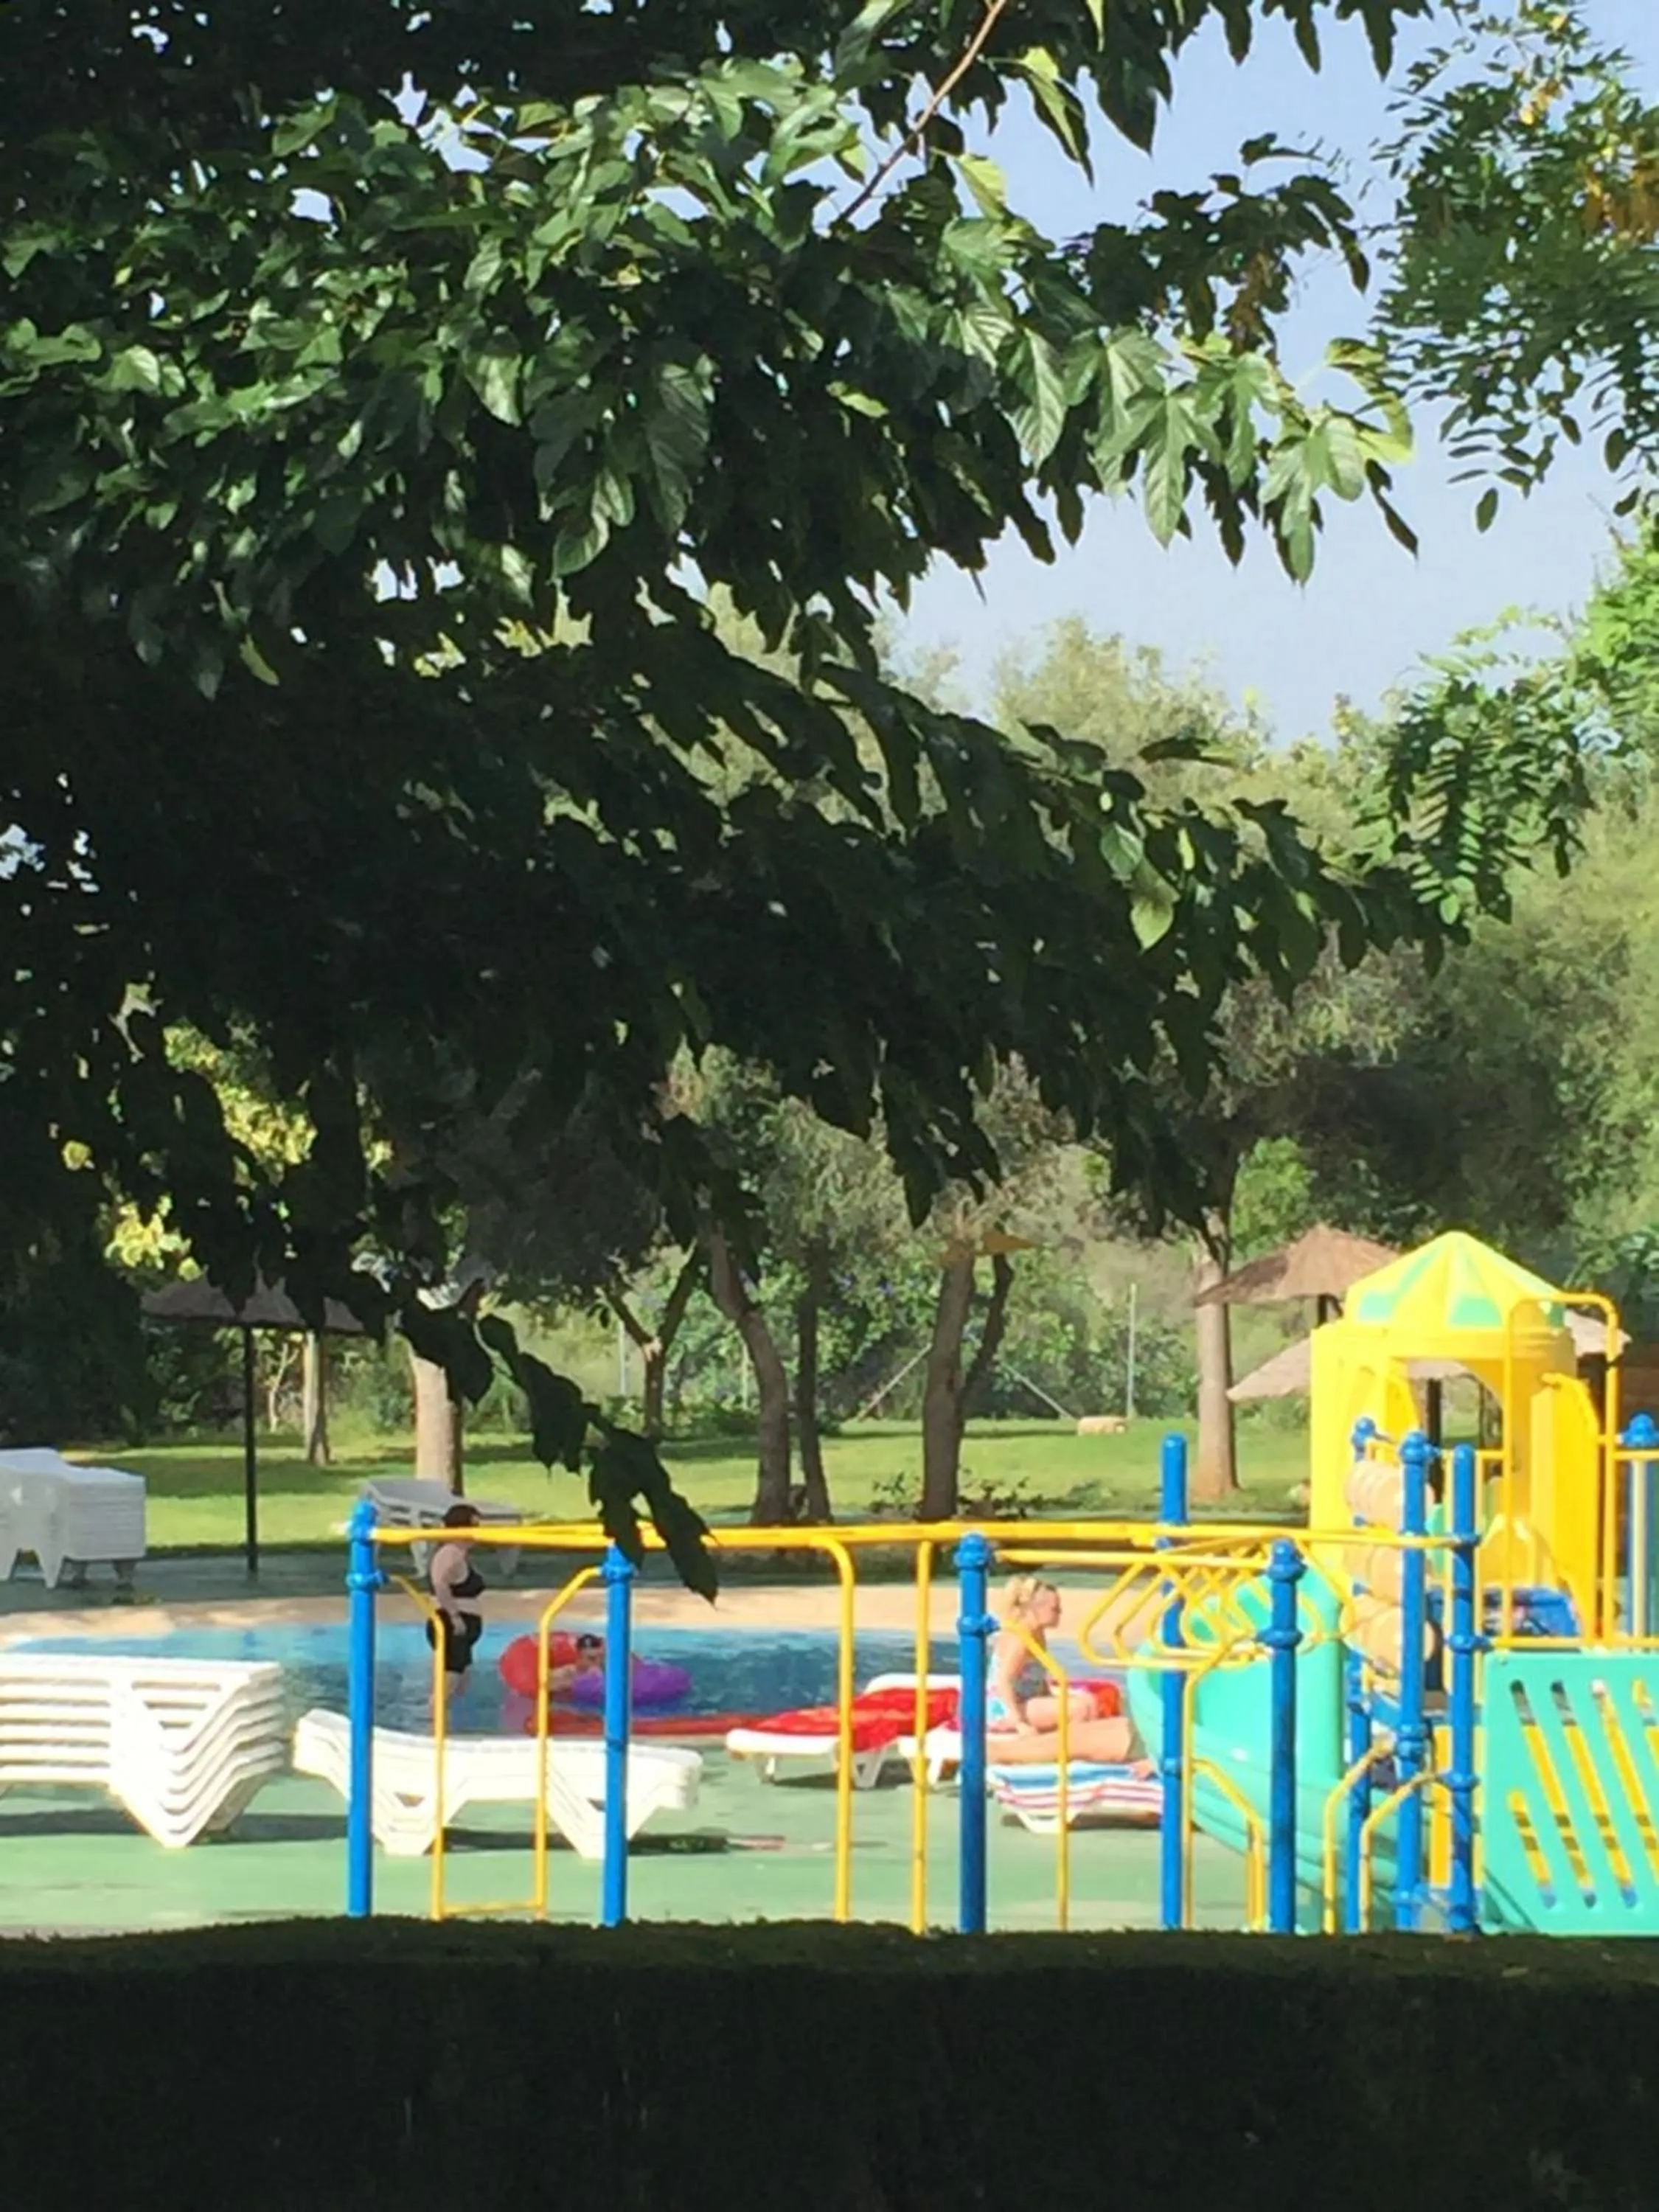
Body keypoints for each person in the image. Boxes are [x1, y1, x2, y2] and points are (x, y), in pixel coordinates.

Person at [984, 1574, 1152, 1770]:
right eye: (1055, 1609)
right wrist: (1019, 1722)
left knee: (1088, 1701)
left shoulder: (1037, 1633)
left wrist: (1051, 1697)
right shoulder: (1020, 1638)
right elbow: (1003, 1680)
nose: (1060, 1613)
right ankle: (1063, 1755)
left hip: (1026, 1699)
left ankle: (1074, 1749)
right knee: (1077, 1709)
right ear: (1035, 1609)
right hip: (1005, 1706)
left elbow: (1035, 1679)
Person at [426, 1502, 486, 1695]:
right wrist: (454, 1617)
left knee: (461, 1681)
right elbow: (440, 1585)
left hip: (460, 1625)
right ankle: (435, 1720)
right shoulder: (449, 1554)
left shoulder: (458, 1554)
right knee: (450, 1680)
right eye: (473, 1526)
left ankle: (447, 1720)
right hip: (451, 1624)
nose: (476, 1533)